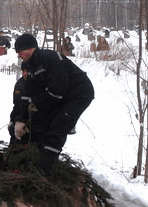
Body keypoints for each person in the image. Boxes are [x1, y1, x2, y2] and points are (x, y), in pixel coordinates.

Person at [13, 33, 94, 179]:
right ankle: (37, 160)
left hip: (78, 94)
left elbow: (58, 89)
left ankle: (44, 174)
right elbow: (28, 92)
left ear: (30, 49)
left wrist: (37, 104)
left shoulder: (50, 58)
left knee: (57, 128)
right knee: (41, 123)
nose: (19, 56)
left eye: (20, 52)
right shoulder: (26, 66)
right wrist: (21, 119)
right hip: (57, 96)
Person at [8, 63, 31, 145]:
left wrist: (21, 121)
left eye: (27, 71)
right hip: (18, 121)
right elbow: (17, 105)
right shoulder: (19, 84)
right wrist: (12, 120)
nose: (25, 73)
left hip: (30, 122)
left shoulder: (37, 84)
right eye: (23, 71)